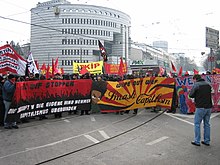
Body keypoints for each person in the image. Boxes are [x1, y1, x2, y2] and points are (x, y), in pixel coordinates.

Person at [189, 74, 212, 146]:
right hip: (209, 107)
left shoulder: (196, 85)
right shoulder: (208, 84)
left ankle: (197, 141)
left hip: (200, 107)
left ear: (195, 79)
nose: (193, 82)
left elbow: (191, 95)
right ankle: (207, 141)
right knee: (207, 124)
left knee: (197, 124)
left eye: (193, 80)